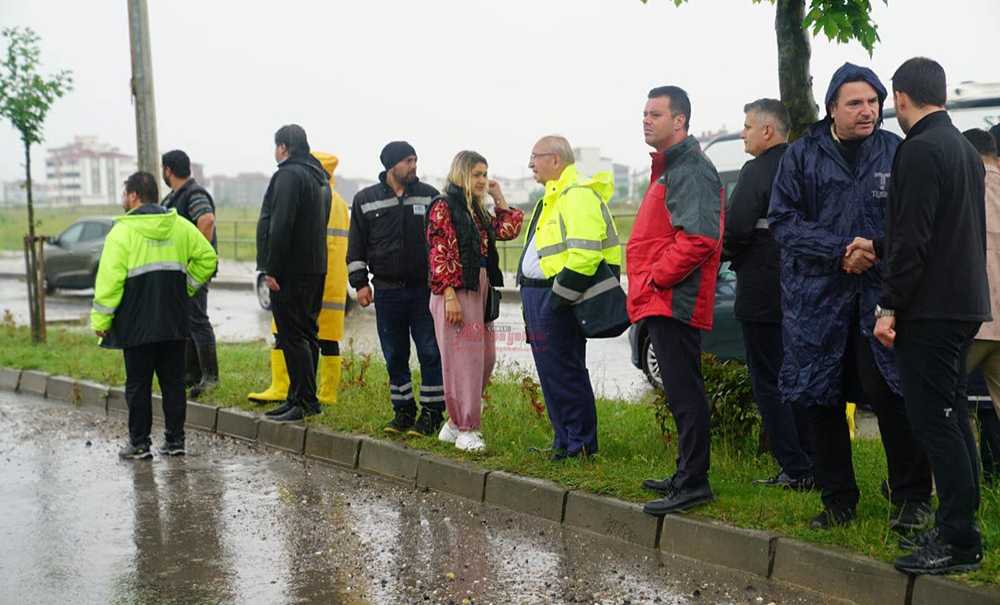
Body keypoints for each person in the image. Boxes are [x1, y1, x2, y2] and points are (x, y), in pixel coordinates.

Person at [768, 63, 932, 531]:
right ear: (832, 109)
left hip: (881, 301)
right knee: (822, 401)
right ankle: (838, 500)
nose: (868, 111)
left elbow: (913, 224)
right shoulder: (801, 156)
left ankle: (912, 499)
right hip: (817, 304)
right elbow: (783, 222)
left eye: (874, 102)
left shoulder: (898, 152)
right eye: (855, 103)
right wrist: (838, 251)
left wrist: (871, 251)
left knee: (894, 398)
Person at [874, 58, 989, 574]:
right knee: (953, 417)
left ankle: (960, 539)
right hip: (963, 302)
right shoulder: (964, 149)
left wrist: (889, 305)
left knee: (936, 422)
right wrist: (881, 245)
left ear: (901, 98)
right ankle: (960, 522)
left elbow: (914, 240)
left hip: (932, 309)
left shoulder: (918, 150)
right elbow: (941, 231)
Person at [629, 86, 724, 515]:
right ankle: (685, 470)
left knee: (685, 391)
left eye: (656, 114)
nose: (646, 120)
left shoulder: (690, 169)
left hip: (674, 299)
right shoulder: (670, 168)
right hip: (661, 298)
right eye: (645, 113)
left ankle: (694, 481)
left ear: (680, 121)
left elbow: (700, 238)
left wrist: (656, 278)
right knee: (678, 388)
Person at [90, 171, 217, 459]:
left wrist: (101, 322)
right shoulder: (181, 227)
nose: (124, 198)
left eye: (125, 193)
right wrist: (187, 287)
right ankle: (175, 442)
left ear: (134, 196)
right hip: (173, 321)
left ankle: (139, 444)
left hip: (136, 326)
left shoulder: (121, 233)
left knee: (138, 386)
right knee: (173, 383)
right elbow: (208, 258)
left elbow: (109, 283)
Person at [722, 99, 814, 490]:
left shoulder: (757, 170)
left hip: (763, 290)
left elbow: (738, 228)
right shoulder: (808, 164)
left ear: (767, 131)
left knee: (769, 380)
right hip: (807, 290)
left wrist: (728, 254)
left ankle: (795, 468)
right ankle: (817, 459)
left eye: (747, 126)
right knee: (805, 377)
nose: (742, 133)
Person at [518, 135, 619, 461]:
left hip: (557, 296)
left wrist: (557, 299)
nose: (531, 164)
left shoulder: (576, 196)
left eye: (535, 157)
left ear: (556, 160)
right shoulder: (553, 196)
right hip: (539, 296)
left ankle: (581, 446)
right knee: (551, 373)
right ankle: (564, 441)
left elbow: (585, 256)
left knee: (565, 372)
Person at [426, 151, 523, 451]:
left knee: (485, 358)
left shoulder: (477, 209)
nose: (482, 180)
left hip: (479, 285)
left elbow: (508, 229)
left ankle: (455, 424)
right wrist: (449, 295)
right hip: (455, 289)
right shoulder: (444, 206)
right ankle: (467, 427)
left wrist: (498, 195)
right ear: (461, 174)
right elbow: (438, 251)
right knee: (465, 361)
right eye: (476, 174)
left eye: (485, 174)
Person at [347, 141, 444, 435]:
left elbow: (442, 241)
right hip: (387, 292)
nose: (414, 166)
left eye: (415, 159)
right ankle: (402, 412)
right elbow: (356, 246)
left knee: (430, 351)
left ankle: (431, 414)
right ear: (391, 165)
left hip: (424, 290)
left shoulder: (430, 196)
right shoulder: (365, 199)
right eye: (408, 161)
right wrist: (360, 283)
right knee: (394, 354)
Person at [248, 150, 350, 411]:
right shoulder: (334, 198)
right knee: (322, 337)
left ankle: (289, 388)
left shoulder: (313, 195)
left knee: (292, 334)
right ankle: (321, 391)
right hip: (329, 277)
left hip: (306, 275)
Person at [255, 124, 332, 422]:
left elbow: (281, 223)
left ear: (284, 147)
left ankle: (302, 400)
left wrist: (272, 268)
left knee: (292, 335)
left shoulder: (288, 174)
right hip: (314, 266)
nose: (275, 152)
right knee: (307, 333)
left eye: (276, 147)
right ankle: (302, 398)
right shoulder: (317, 176)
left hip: (290, 270)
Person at [161, 149, 219, 399]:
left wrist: (197, 256)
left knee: (196, 319)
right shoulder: (173, 198)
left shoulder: (194, 194)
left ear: (168, 170)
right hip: (179, 269)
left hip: (194, 268)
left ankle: (211, 377)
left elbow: (206, 220)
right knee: (185, 321)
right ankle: (191, 374)